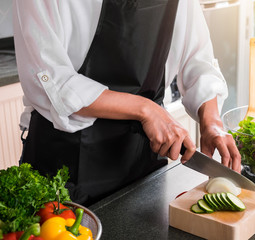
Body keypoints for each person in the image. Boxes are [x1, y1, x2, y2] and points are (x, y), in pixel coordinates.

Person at [13, 0, 241, 206]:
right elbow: (47, 78)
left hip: (143, 159)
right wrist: (145, 110)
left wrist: (211, 122)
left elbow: (198, 62)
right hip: (66, 162)